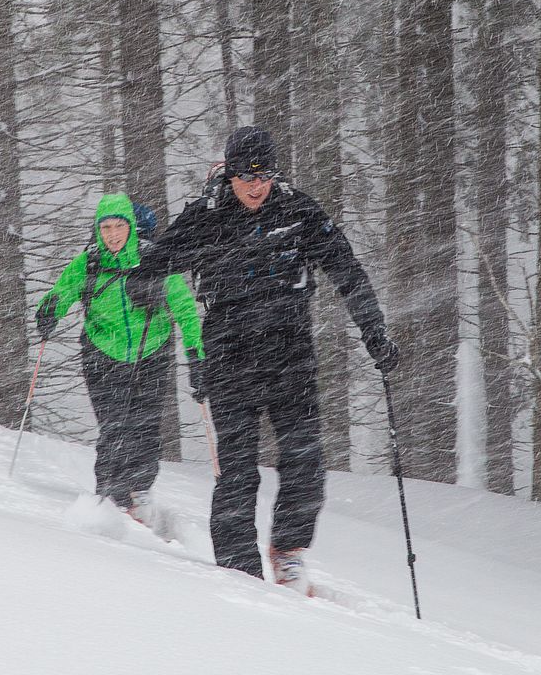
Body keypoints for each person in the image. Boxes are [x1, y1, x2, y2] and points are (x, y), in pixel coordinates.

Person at [126, 126, 399, 592]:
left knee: (305, 461)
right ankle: (239, 571)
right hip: (228, 354)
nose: (257, 186)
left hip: (290, 351)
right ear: (229, 174)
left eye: (265, 176)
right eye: (247, 177)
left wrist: (374, 331)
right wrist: (144, 287)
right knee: (237, 468)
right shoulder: (205, 217)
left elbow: (347, 271)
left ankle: (288, 553)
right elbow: (151, 267)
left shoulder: (299, 211)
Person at [35, 193, 205, 517]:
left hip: (152, 353)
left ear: (131, 227)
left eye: (119, 226)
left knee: (146, 428)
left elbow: (184, 308)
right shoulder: (89, 263)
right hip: (102, 353)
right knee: (115, 426)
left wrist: (196, 353)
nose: (113, 234)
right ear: (98, 230)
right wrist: (49, 311)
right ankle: (110, 498)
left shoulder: (154, 260)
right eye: (106, 227)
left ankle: (138, 493)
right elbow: (63, 290)